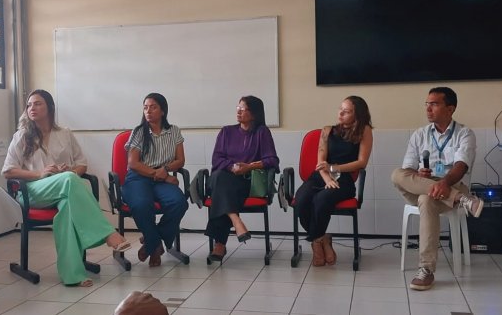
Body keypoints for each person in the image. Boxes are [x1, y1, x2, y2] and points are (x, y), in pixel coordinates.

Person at [2, 89, 131, 287]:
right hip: (32, 191)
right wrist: (40, 173)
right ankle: (107, 233)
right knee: (69, 180)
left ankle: (73, 275)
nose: (32, 108)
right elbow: (8, 171)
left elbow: (82, 165)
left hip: (62, 188)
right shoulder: (21, 136)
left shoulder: (64, 133)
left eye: (38, 104)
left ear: (50, 108)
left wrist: (69, 170)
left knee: (67, 209)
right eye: (29, 105)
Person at [391, 86, 483, 291]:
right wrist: (418, 174)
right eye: (427, 104)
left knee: (426, 199)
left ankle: (426, 270)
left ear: (450, 109)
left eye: (434, 104)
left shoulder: (465, 133)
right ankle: (462, 199)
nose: (428, 109)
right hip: (422, 185)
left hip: (449, 184)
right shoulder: (419, 134)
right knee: (397, 174)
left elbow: (461, 166)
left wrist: (444, 182)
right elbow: (407, 169)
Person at [294, 96, 373, 267]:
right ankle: (322, 238)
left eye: (347, 111)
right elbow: (320, 161)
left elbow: (362, 162)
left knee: (321, 199)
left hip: (343, 179)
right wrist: (327, 177)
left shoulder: (364, 130)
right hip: (320, 176)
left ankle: (316, 244)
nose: (341, 113)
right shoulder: (327, 130)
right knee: (301, 200)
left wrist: (334, 169)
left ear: (357, 114)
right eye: (340, 109)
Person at [205, 96, 280, 260]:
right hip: (224, 177)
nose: (238, 111)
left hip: (246, 181)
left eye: (243, 109)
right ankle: (236, 220)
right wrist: (232, 167)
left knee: (222, 188)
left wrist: (249, 166)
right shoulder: (226, 131)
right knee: (220, 178)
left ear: (253, 114)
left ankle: (220, 244)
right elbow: (217, 159)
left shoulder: (262, 132)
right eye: (237, 107)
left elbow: (272, 160)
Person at [123, 93, 188, 267]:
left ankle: (152, 240)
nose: (148, 111)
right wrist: (160, 175)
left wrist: (165, 170)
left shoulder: (174, 131)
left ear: (163, 111)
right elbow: (133, 163)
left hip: (161, 177)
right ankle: (156, 246)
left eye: (153, 107)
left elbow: (180, 160)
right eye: (145, 107)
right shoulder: (139, 132)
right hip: (138, 177)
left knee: (179, 202)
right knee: (142, 205)